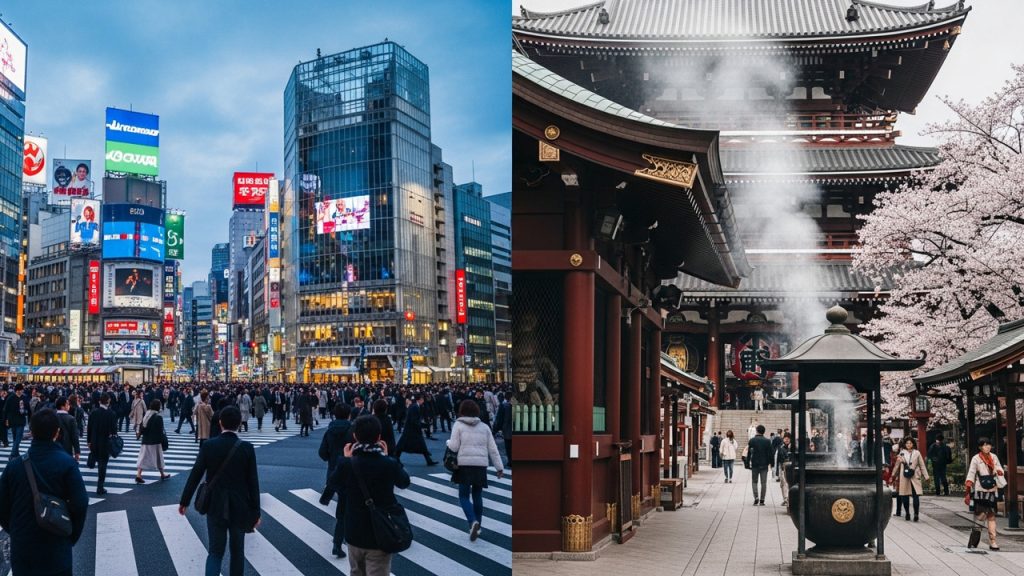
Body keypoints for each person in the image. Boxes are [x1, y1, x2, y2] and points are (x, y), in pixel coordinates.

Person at [0, 408, 89, 576]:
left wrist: (15, 529)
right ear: (57, 433)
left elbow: (2, 506)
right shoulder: (67, 464)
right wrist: (70, 535)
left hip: (23, 547)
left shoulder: (14, 466)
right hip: (56, 544)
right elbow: (81, 503)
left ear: (31, 432)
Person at [179, 406, 260, 576]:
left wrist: (184, 501)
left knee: (215, 552)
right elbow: (253, 482)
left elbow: (195, 475)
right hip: (240, 505)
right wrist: (256, 512)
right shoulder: (246, 448)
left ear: (220, 423)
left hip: (215, 504)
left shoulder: (209, 445)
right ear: (238, 424)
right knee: (237, 552)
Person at [330, 415, 410, 576]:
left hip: (354, 530)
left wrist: (344, 460)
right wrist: (388, 457)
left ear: (355, 436)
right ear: (379, 437)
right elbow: (404, 482)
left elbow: (333, 484)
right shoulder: (388, 464)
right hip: (380, 531)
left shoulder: (348, 464)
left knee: (356, 572)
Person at [447, 399, 505, 541]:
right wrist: (499, 467)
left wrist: (447, 442)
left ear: (462, 411)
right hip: (480, 465)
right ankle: (478, 524)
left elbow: (453, 447)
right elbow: (493, 449)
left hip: (464, 464)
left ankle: (472, 521)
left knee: (464, 496)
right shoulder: (484, 427)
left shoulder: (458, 425)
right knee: (477, 495)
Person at [319, 403, 354, 558]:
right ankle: (345, 541)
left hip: (334, 473)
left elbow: (322, 453)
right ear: (349, 415)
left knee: (342, 508)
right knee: (350, 507)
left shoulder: (329, 431)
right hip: (352, 473)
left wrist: (332, 459)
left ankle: (337, 544)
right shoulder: (353, 431)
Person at [965, 437, 1005, 550]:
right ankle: (974, 540)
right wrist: (968, 488)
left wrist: (999, 471)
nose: (987, 447)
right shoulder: (976, 458)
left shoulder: (994, 457)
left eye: (988, 445)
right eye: (984, 445)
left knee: (991, 516)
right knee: (980, 517)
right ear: (980, 447)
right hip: (980, 490)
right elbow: (971, 473)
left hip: (992, 490)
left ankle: (993, 541)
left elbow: (1000, 469)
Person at [87, 393, 118, 495]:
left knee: (95, 457)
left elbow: (89, 428)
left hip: (94, 440)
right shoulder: (111, 414)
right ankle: (100, 486)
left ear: (100, 401)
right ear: (108, 401)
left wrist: (89, 441)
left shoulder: (94, 412)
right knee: (103, 464)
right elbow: (114, 431)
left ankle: (91, 464)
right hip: (105, 442)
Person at [395, 394, 439, 466]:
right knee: (403, 445)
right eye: (422, 399)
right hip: (411, 430)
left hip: (411, 429)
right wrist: (423, 425)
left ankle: (429, 460)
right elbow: (414, 420)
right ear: (419, 399)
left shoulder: (415, 406)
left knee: (404, 445)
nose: (423, 401)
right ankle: (396, 457)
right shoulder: (415, 407)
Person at [892, 437, 928, 522]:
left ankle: (916, 514)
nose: (909, 445)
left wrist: (926, 476)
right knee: (905, 496)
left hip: (915, 476)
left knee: (916, 496)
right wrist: (893, 475)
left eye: (910, 443)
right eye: (907, 443)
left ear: (913, 444)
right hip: (904, 476)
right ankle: (907, 513)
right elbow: (897, 465)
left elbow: (922, 465)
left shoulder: (917, 453)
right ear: (905, 444)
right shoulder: (902, 453)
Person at [136, 399, 171, 485]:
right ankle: (161, 474)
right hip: (155, 441)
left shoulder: (147, 414)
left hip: (146, 440)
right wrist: (163, 441)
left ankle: (139, 474)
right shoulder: (158, 417)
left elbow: (143, 428)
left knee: (144, 457)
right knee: (159, 458)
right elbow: (160, 431)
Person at [747, 424, 773, 505]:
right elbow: (770, 454)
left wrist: (747, 463)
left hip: (755, 464)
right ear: (764, 432)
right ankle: (762, 500)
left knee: (754, 482)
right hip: (764, 464)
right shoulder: (767, 441)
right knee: (763, 483)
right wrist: (771, 463)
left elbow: (749, 453)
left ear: (757, 431)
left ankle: (756, 497)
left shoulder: (752, 440)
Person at [4, 383, 29, 457]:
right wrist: (6, 419)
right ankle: (16, 454)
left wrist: (25, 412)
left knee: (18, 438)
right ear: (17, 390)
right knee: (15, 439)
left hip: (21, 420)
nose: (22, 391)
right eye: (21, 390)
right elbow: (6, 409)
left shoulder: (24, 398)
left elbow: (27, 407)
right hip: (13, 420)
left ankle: (12, 455)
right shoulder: (11, 398)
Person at [55, 397, 81, 461]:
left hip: (54, 447)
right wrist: (77, 451)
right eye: (67, 404)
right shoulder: (71, 419)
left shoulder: (52, 416)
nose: (69, 406)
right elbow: (75, 436)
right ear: (62, 406)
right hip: (67, 447)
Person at [492, 393, 512, 468]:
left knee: (509, 447)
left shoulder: (504, 406)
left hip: (507, 431)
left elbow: (499, 420)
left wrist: (494, 431)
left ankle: (510, 461)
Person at [777, 433, 792, 506]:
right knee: (783, 484)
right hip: (783, 467)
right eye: (785, 438)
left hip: (791, 467)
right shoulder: (781, 447)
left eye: (788, 438)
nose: (787, 439)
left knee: (789, 484)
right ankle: (785, 499)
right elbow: (779, 459)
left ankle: (789, 498)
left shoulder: (793, 447)